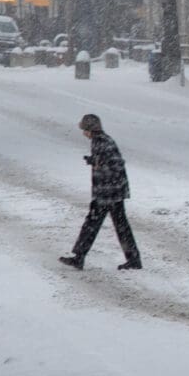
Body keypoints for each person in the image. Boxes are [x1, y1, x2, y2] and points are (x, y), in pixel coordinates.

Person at [60, 114, 142, 270]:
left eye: (84, 129)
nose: (83, 133)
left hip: (108, 192)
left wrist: (95, 162)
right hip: (113, 190)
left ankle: (79, 257)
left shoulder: (100, 141)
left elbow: (108, 163)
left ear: (90, 129)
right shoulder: (103, 140)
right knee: (116, 224)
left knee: (93, 222)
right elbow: (109, 161)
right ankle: (133, 259)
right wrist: (94, 161)